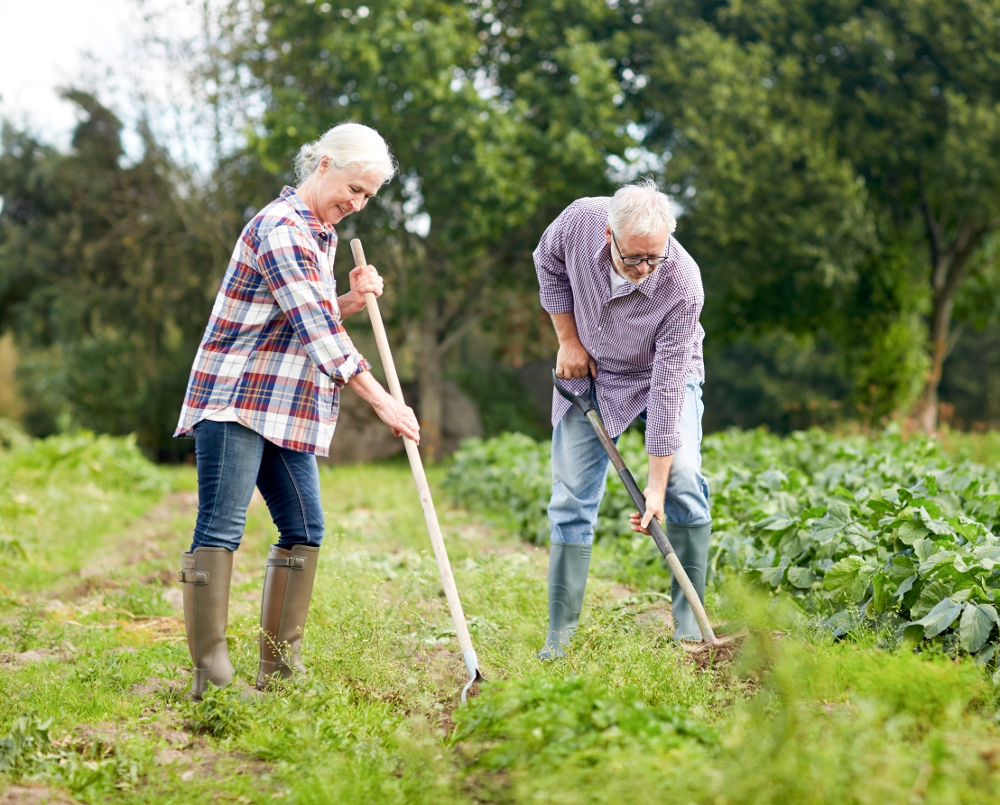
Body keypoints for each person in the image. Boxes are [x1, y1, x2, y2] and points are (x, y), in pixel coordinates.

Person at [173, 123, 420, 698]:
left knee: (305, 527)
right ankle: (212, 680)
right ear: (324, 164)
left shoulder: (318, 232)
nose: (355, 205)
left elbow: (299, 313)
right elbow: (319, 334)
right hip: (237, 398)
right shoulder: (281, 228)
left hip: (284, 403)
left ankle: (280, 675)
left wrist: (351, 301)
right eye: (353, 189)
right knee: (221, 527)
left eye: (366, 198)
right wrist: (386, 401)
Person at [533, 178, 710, 658]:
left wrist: (656, 484)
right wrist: (568, 339)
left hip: (661, 371)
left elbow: (670, 388)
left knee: (685, 481)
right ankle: (559, 637)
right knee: (570, 496)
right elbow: (545, 263)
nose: (644, 270)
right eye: (634, 258)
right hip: (592, 369)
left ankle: (690, 630)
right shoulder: (581, 221)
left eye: (654, 257)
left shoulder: (682, 281)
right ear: (609, 236)